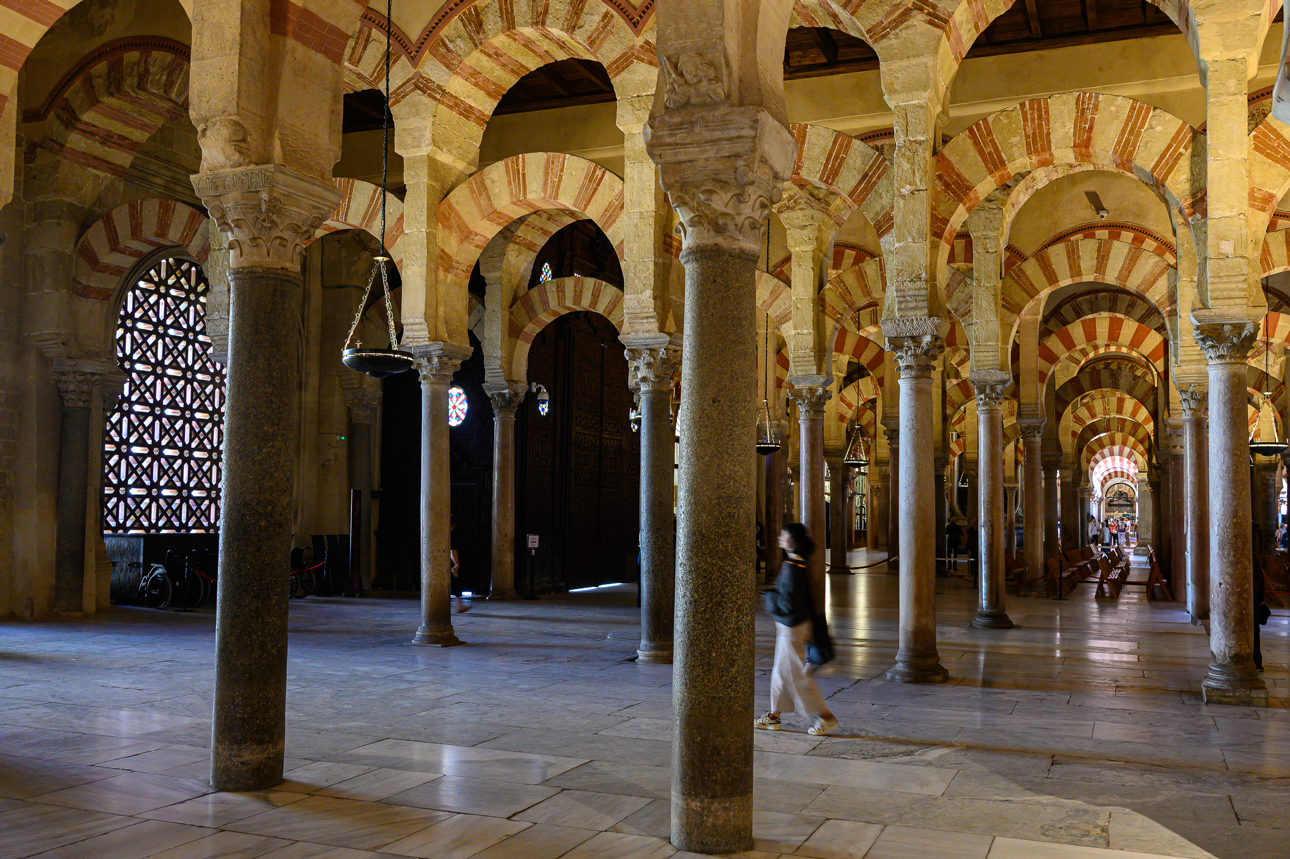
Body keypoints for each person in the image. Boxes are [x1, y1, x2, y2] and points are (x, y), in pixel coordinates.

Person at [755, 523, 838, 736]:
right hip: (791, 627)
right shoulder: (796, 564)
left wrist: (768, 596)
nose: (780, 536)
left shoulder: (792, 568)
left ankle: (825, 717)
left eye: (784, 534)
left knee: (797, 676)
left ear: (793, 540)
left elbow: (788, 604)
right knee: (781, 674)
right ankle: (774, 716)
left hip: (792, 628)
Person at [450, 516, 468, 613]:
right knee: (456, 584)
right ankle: (459, 606)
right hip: (452, 563)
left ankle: (459, 605)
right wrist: (456, 564)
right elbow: (453, 551)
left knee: (456, 584)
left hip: (449, 563)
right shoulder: (451, 535)